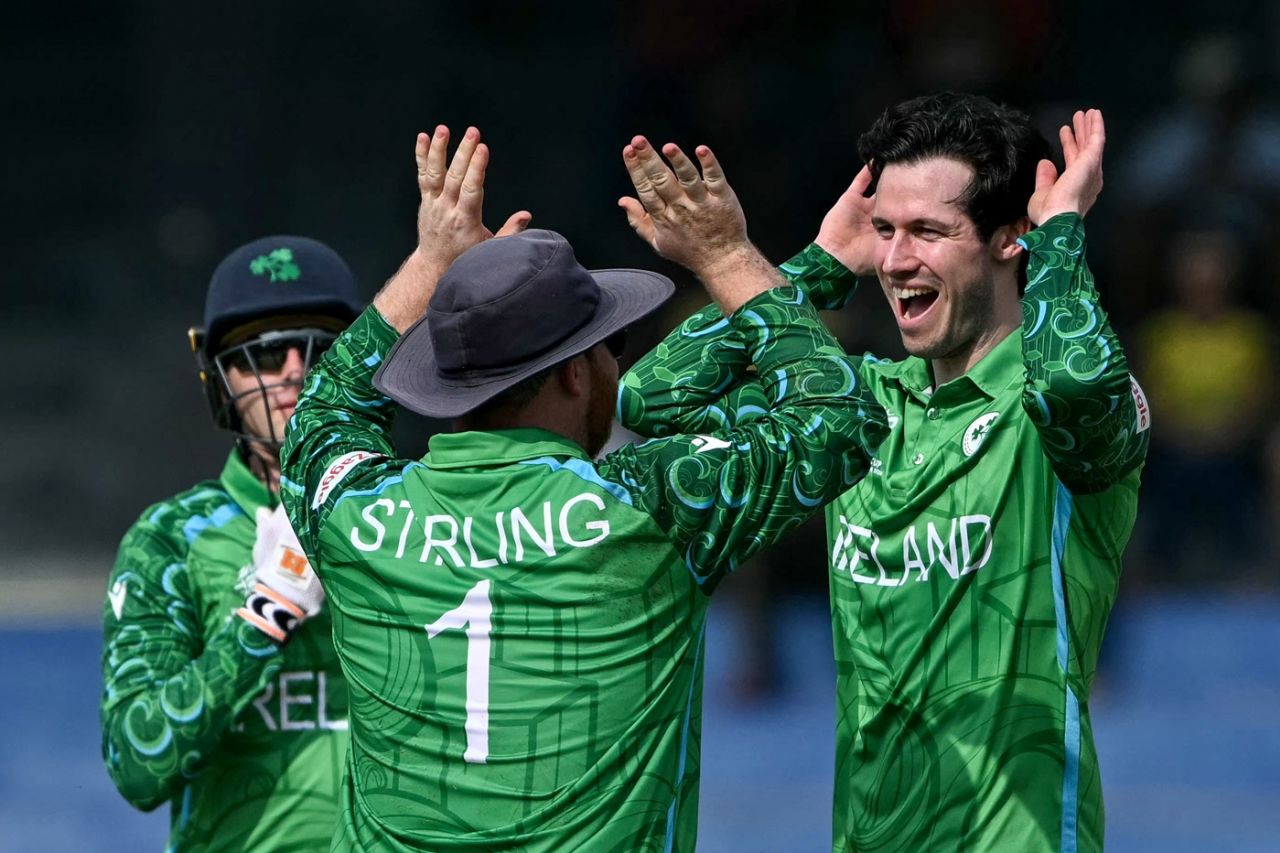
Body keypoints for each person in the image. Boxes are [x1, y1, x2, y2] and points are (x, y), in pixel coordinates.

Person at [278, 125, 887, 851]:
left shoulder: (351, 514)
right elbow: (841, 416)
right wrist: (730, 257)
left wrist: (430, 259)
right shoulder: (650, 507)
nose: (618, 365)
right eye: (612, 343)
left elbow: (322, 413)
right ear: (574, 373)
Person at [618, 94, 1150, 851]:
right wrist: (822, 267)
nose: (898, 261)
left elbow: (1074, 384)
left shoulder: (1045, 413)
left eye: (929, 231)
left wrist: (1062, 231)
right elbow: (653, 396)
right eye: (886, 231)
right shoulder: (862, 407)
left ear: (1009, 239)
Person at [100, 235, 362, 850]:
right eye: (267, 354)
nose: (296, 371)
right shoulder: (169, 542)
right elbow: (137, 764)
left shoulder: (420, 515)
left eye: (322, 351)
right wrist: (268, 611)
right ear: (223, 378)